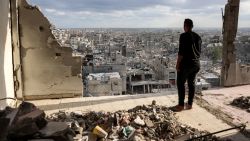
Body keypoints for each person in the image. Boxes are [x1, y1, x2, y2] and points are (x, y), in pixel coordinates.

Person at [173, 18, 202, 112]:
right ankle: (189, 104)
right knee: (191, 83)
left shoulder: (183, 36)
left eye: (184, 25)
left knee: (180, 83)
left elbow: (180, 53)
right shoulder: (198, 37)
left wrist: (177, 65)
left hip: (186, 64)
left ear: (185, 26)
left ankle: (181, 105)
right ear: (192, 26)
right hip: (196, 64)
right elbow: (199, 52)